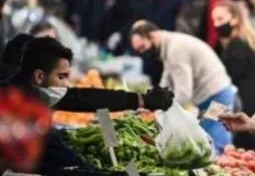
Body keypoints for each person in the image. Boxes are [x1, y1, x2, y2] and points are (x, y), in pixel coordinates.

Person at [130, 20, 234, 151]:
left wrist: (161, 111)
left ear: (152, 36)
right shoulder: (169, 45)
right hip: (212, 95)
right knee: (208, 142)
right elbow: (166, 79)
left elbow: (184, 94)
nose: (142, 53)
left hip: (217, 96)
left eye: (142, 48)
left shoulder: (175, 50)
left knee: (216, 145)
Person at [12, 36, 173, 113]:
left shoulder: (28, 92)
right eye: (61, 77)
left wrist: (142, 100)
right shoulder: (15, 102)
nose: (65, 85)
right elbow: (80, 99)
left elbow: (83, 98)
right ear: (39, 76)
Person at [211, 1, 255, 153]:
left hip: (245, 108)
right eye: (214, 20)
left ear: (235, 18)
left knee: (246, 153)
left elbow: (226, 82)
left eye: (221, 19)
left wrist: (211, 113)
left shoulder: (237, 46)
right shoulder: (247, 40)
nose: (217, 25)